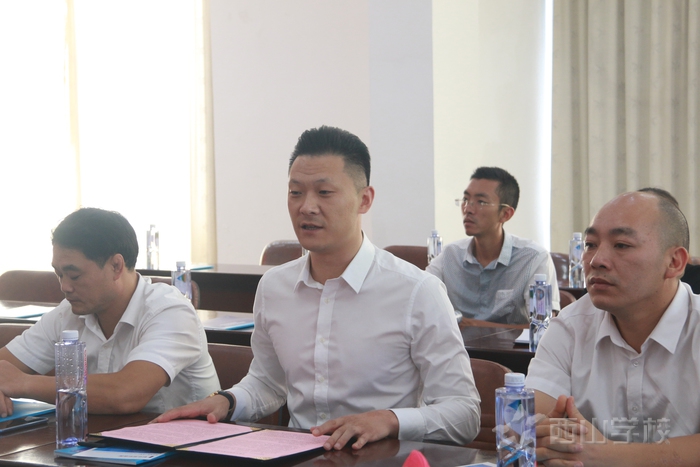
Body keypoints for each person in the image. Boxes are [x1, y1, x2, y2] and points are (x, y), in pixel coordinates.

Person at [155, 125, 481, 450]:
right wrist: (226, 402)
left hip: (379, 458)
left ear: (364, 199)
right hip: (296, 456)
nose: (306, 207)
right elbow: (268, 382)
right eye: (296, 192)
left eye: (324, 192)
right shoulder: (274, 287)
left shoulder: (417, 291)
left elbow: (464, 413)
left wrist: (390, 420)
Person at [526, 190, 700, 466]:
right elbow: (531, 424)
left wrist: (605, 455)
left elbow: (589, 452)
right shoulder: (570, 326)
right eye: (590, 244)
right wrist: (552, 444)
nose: (596, 260)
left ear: (674, 262)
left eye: (621, 245)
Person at [0, 208, 219, 416]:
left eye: (74, 276)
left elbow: (125, 394)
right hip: (104, 437)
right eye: (59, 274)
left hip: (184, 440)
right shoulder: (68, 312)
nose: (64, 286)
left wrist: (23, 383)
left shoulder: (170, 311)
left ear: (116, 266)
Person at [427, 167, 559, 325]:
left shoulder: (533, 258)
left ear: (505, 214)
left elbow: (544, 326)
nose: (468, 209)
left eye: (481, 202)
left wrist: (472, 325)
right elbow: (419, 298)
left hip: (510, 344)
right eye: (466, 200)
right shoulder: (450, 255)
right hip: (456, 342)